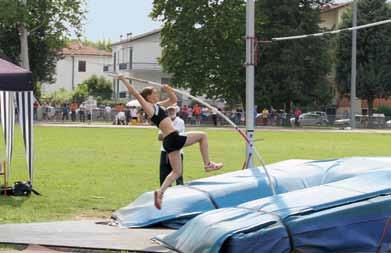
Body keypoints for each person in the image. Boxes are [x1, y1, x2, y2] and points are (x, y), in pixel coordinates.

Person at [117, 75, 223, 209]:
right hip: (173, 137)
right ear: (149, 96)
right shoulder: (149, 107)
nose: (157, 94)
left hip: (168, 142)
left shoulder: (158, 106)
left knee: (177, 172)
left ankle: (160, 192)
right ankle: (208, 164)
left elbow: (174, 100)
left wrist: (169, 90)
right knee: (202, 136)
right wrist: (123, 79)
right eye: (154, 93)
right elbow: (135, 93)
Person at [158, 105, 185, 186]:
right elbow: (159, 137)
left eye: (172, 110)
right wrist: (169, 135)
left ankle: (180, 191)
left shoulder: (180, 121)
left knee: (178, 174)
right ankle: (165, 192)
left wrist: (166, 134)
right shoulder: (164, 121)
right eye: (169, 110)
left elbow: (176, 137)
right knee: (164, 174)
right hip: (165, 151)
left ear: (176, 111)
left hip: (177, 151)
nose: (171, 112)